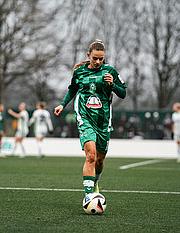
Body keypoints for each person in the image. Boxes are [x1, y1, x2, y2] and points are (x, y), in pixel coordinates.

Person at [54, 39, 127, 195]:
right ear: (88, 55)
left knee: (100, 160)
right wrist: (62, 104)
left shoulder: (110, 71)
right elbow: (72, 90)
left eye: (101, 58)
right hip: (84, 116)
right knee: (91, 155)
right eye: (95, 58)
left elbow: (123, 93)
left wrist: (113, 85)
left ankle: (95, 182)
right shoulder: (79, 72)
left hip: (103, 121)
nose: (98, 61)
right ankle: (88, 196)